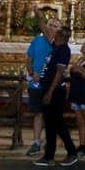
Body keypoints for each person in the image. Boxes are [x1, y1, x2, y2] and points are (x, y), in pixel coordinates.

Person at [34, 22, 78, 167]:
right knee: (51, 124)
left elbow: (59, 73)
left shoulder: (63, 50)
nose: (54, 34)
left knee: (58, 123)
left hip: (55, 91)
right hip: (49, 89)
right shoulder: (56, 47)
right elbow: (45, 30)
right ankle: (49, 155)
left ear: (60, 36)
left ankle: (71, 152)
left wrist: (50, 92)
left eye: (57, 32)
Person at [25, 14, 59, 156]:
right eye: (50, 25)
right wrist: (32, 73)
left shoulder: (58, 44)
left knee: (51, 114)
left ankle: (49, 141)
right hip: (36, 83)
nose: (52, 28)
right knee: (37, 113)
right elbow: (29, 58)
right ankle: (36, 142)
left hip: (50, 85)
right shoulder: (37, 40)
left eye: (55, 26)